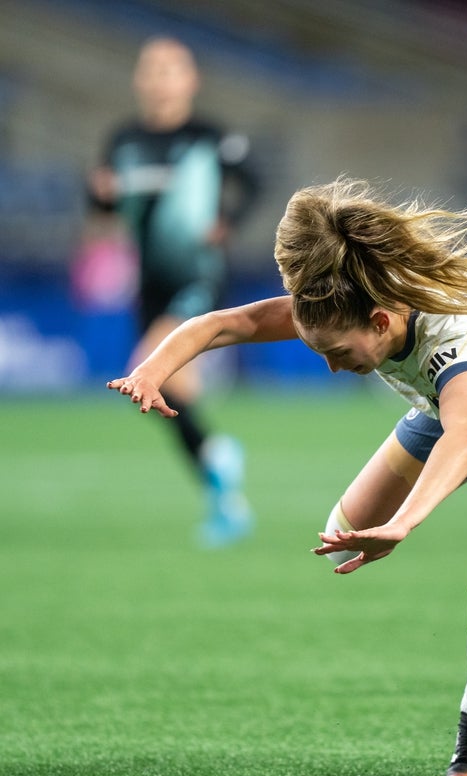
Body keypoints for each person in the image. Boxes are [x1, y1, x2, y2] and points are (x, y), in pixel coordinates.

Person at [107, 178, 467, 776]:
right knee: (340, 537)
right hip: (462, 408)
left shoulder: (454, 342)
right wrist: (152, 371)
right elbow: (227, 323)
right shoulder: (348, 305)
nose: (331, 367)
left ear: (380, 322)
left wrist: (402, 525)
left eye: (339, 354)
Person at [89, 35, 260, 545]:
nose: (160, 79)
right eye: (152, 69)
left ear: (191, 80)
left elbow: (253, 182)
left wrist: (227, 221)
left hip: (197, 276)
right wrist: (99, 196)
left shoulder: (208, 137)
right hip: (148, 283)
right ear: (139, 79)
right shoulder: (123, 140)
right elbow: (102, 203)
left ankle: (217, 458)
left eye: (171, 69)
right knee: (167, 390)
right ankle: (222, 486)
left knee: (145, 370)